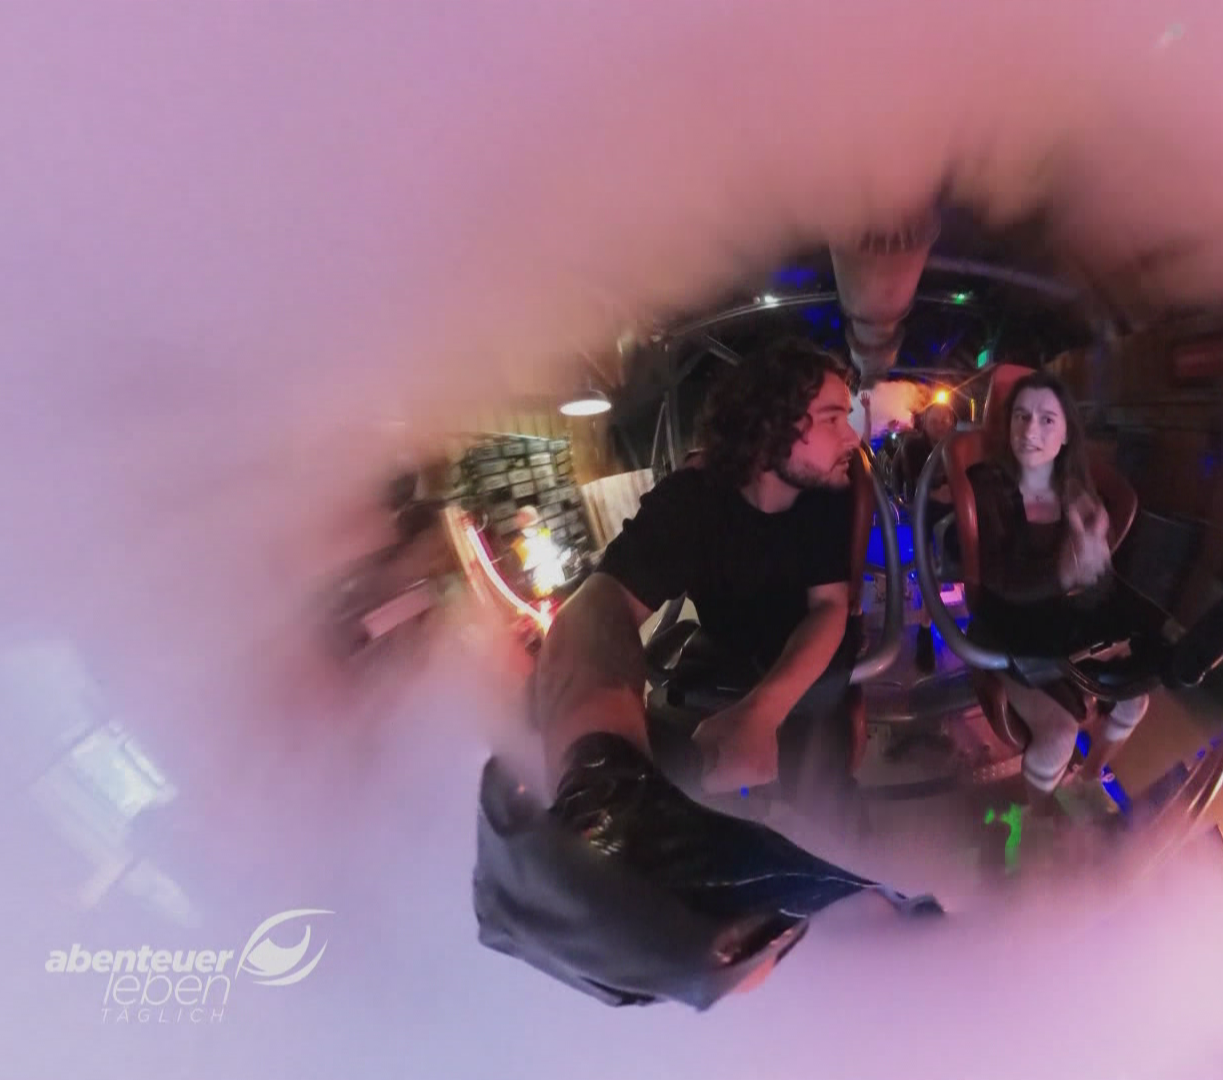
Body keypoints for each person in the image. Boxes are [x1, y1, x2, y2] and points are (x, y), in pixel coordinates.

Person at [472, 340, 940, 1012]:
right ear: (773, 422)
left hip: (813, 671)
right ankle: (609, 811)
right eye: (833, 417)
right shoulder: (692, 501)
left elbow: (829, 610)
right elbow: (601, 603)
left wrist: (761, 713)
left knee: (823, 808)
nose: (851, 436)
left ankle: (868, 958)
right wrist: (594, 753)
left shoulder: (827, 496)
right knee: (671, 772)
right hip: (721, 658)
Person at [965, 371, 1159, 803]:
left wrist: (1096, 561)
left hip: (1064, 627)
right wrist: (1064, 573)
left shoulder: (1077, 489)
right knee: (1057, 737)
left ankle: (1090, 777)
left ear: (1067, 432)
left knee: (1136, 699)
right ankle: (1038, 818)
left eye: (1047, 419)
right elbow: (998, 579)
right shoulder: (987, 486)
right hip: (1009, 630)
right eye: (1021, 416)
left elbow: (1096, 581)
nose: (1030, 430)